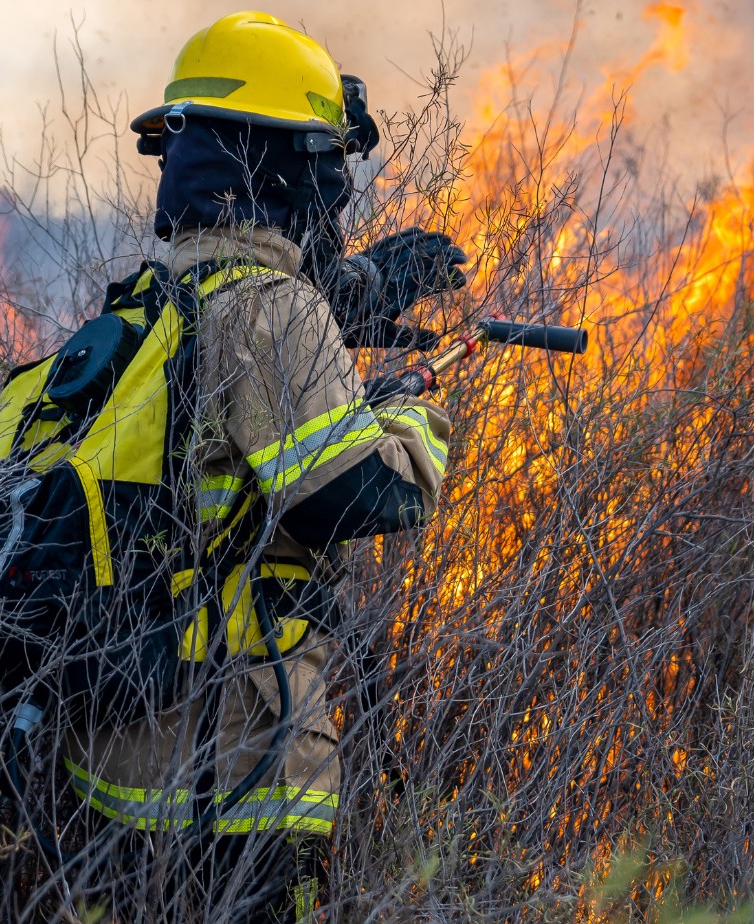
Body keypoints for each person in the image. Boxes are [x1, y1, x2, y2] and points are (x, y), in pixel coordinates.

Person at [44, 11, 466, 922]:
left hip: (111, 770)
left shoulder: (149, 307)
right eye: (327, 163)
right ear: (279, 166)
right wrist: (410, 408)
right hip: (240, 770)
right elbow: (359, 492)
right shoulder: (271, 310)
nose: (340, 195)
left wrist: (340, 307)